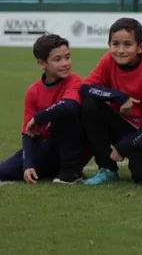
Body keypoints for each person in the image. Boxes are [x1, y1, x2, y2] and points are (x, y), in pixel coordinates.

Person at [78, 18, 142, 185]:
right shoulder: (108, 60)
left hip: (141, 132)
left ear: (140, 47)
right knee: (89, 104)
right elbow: (84, 88)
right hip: (118, 122)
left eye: (127, 44)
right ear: (109, 44)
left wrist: (124, 146)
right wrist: (119, 97)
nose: (120, 50)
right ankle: (107, 168)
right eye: (115, 44)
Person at [0, 34, 84, 184]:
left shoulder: (74, 81)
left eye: (67, 57)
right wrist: (28, 165)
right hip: (45, 147)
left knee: (67, 113)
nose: (65, 63)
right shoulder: (33, 91)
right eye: (58, 59)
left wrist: (39, 118)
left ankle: (70, 170)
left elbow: (69, 105)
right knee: (4, 170)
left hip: (70, 146)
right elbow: (29, 132)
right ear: (41, 63)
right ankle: (48, 168)